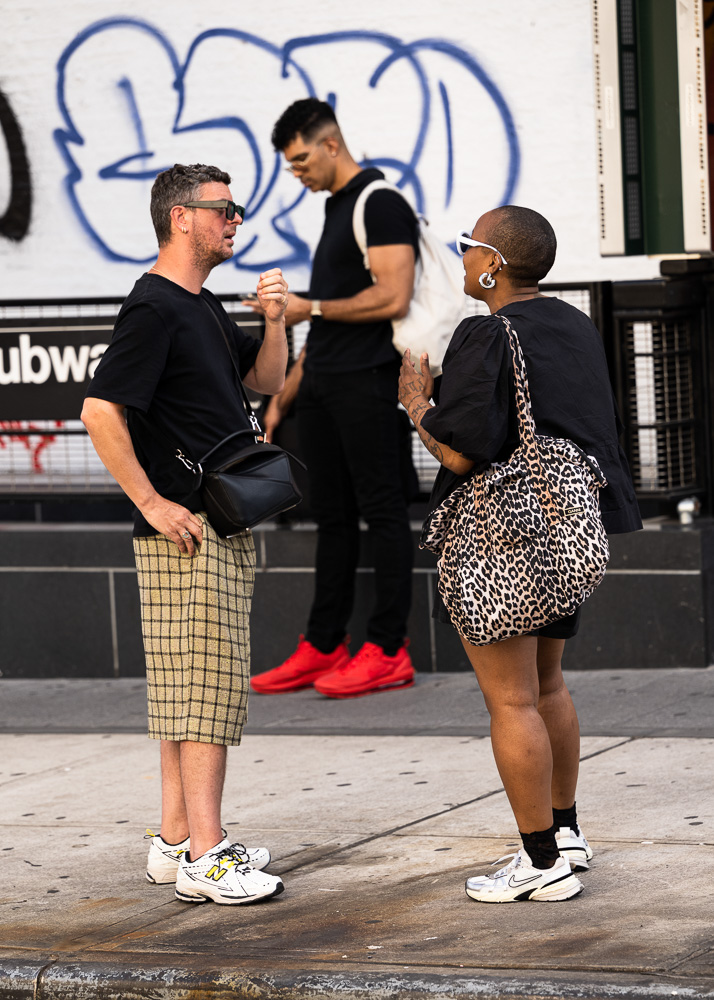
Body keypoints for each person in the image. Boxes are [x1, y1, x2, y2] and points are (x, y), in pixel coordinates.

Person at [398, 205, 641, 903]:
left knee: (511, 700)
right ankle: (565, 832)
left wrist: (416, 403)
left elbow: (463, 448)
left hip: (504, 541)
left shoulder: (485, 331)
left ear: (496, 264)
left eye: (472, 247)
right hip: (568, 533)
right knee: (548, 687)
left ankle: (539, 864)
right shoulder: (573, 325)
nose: (466, 257)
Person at [81, 163, 289, 906]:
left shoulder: (196, 305)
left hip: (211, 524)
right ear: (181, 218)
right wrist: (154, 501)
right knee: (207, 695)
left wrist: (273, 320)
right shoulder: (155, 309)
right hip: (187, 530)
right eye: (224, 209)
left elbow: (264, 381)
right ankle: (208, 853)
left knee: (182, 692)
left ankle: (175, 841)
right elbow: (100, 411)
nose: (236, 220)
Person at [248, 98, 419, 699]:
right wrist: (285, 395)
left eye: (299, 161)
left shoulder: (382, 203)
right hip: (323, 381)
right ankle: (324, 645)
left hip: (368, 381)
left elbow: (394, 296)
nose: (296, 174)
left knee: (385, 512)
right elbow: (325, 321)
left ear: (330, 144)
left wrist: (308, 305)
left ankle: (389, 648)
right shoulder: (336, 207)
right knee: (334, 518)